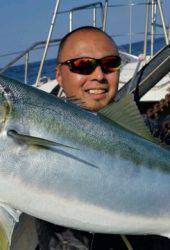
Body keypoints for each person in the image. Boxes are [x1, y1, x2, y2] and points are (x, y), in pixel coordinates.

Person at [35, 26, 170, 250]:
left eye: (110, 64)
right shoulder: (37, 130)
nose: (99, 75)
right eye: (83, 65)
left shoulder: (149, 133)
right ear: (59, 75)